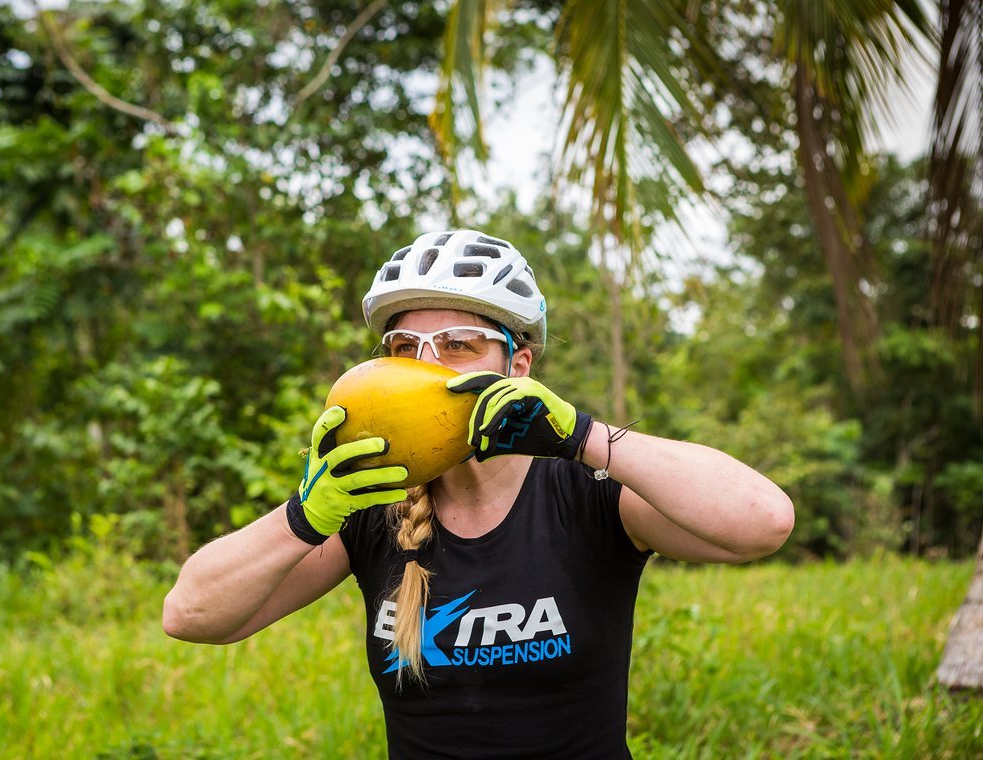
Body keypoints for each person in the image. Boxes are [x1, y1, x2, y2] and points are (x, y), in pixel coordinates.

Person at [163, 229, 795, 759]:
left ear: (517, 366)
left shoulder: (589, 494)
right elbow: (190, 616)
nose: (429, 368)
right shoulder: (372, 509)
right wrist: (303, 517)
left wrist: (584, 437)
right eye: (405, 349)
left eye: (458, 346)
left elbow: (763, 522)